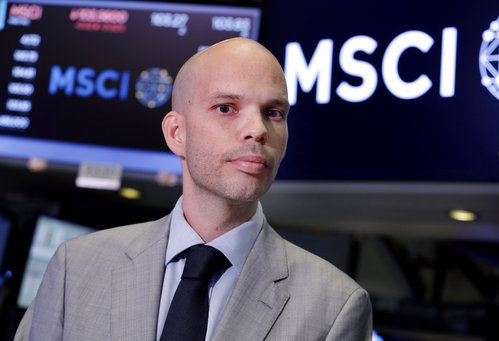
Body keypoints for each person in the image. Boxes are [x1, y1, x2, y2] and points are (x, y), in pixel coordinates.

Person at [14, 38, 372, 341]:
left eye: (273, 112)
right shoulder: (74, 269)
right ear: (176, 133)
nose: (257, 129)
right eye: (226, 107)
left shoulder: (335, 307)